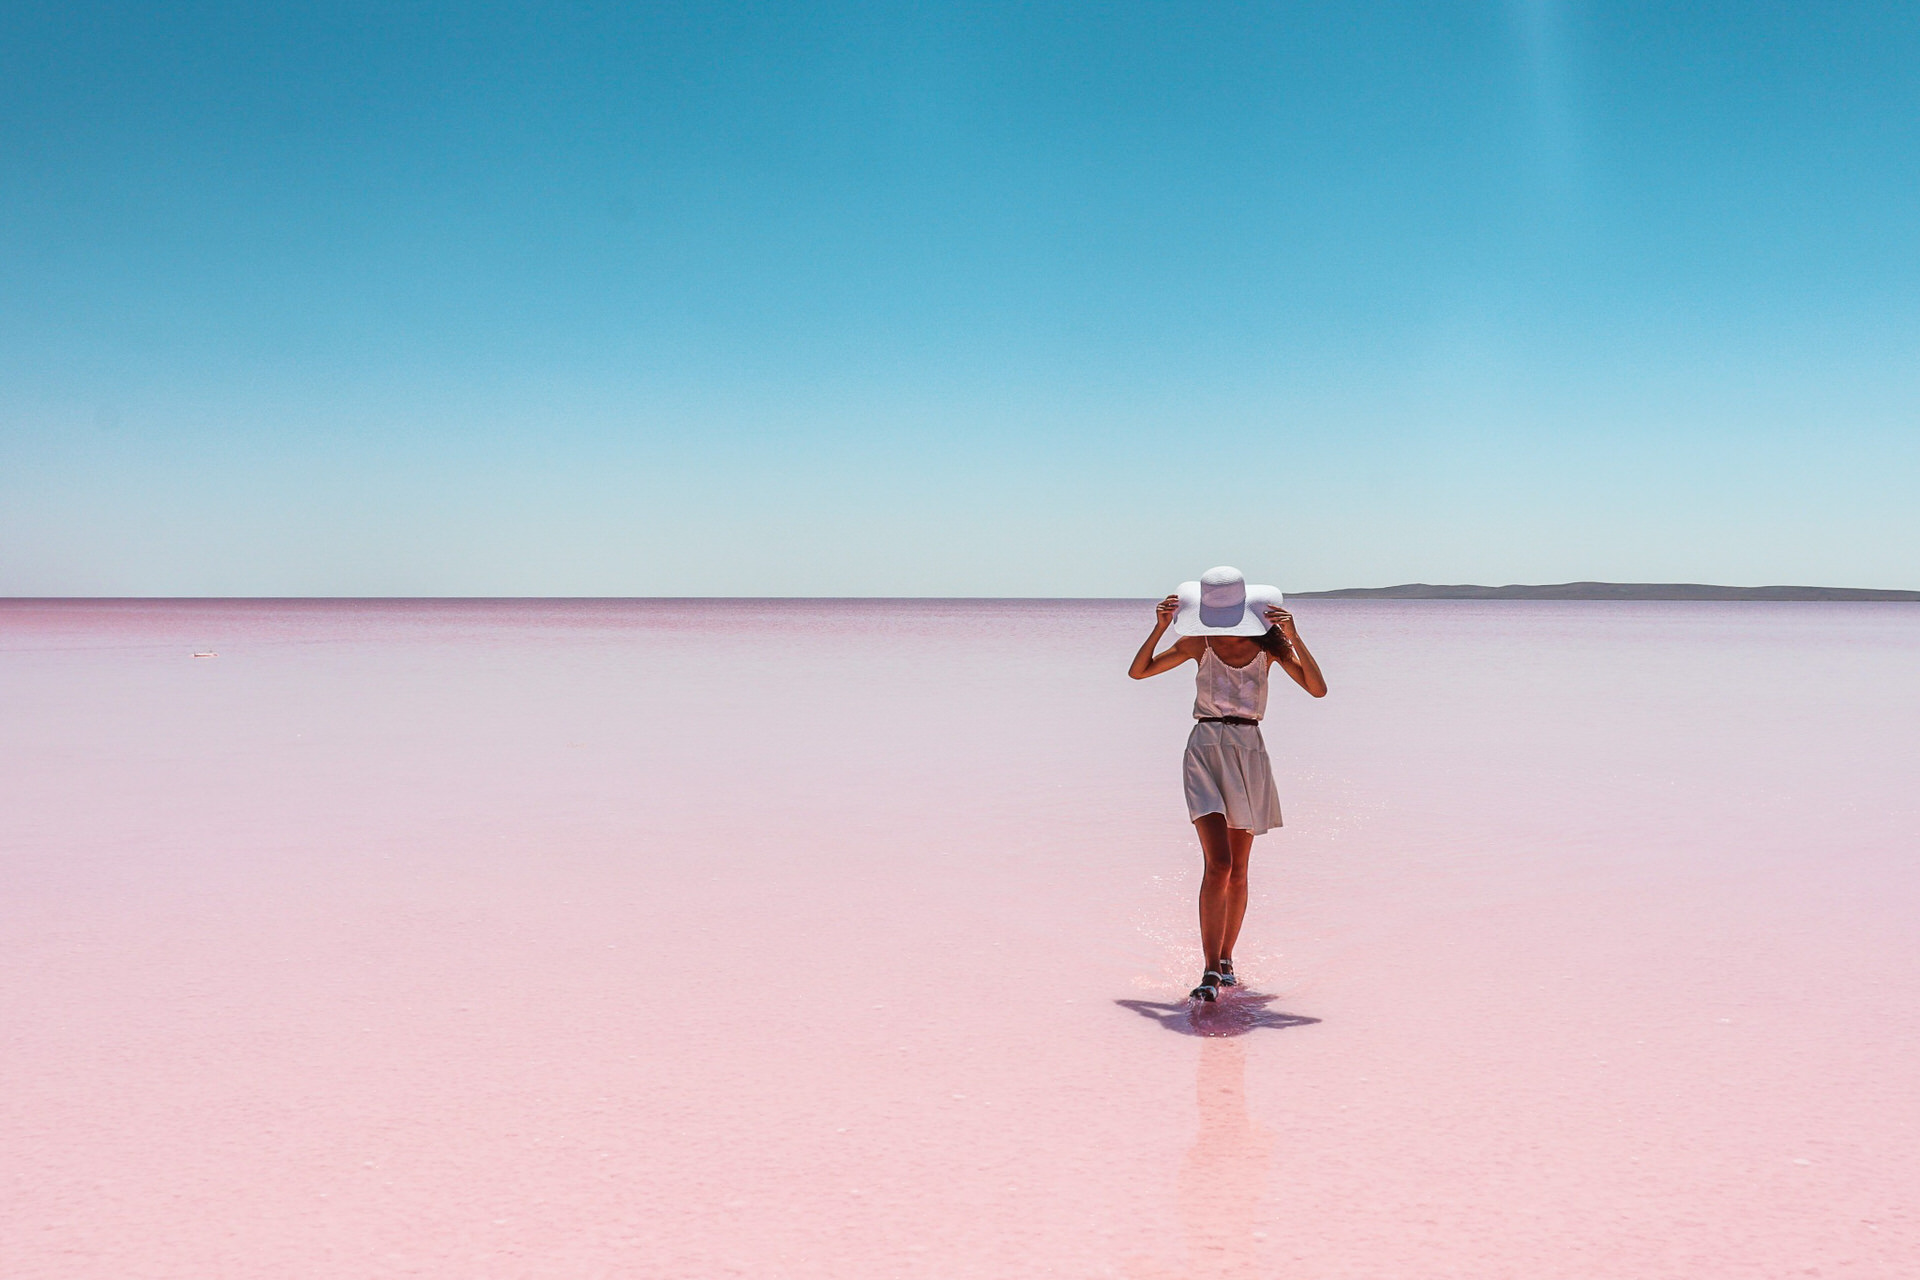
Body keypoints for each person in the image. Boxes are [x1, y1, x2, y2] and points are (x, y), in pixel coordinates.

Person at [1128, 567, 1328, 1001]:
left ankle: (1226, 960)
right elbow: (1138, 671)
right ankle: (1208, 971)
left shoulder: (1268, 646)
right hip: (1204, 748)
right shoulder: (1198, 644)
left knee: (1238, 869)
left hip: (1248, 748)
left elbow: (1317, 689)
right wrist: (1159, 628)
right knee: (1217, 863)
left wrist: (1294, 635)